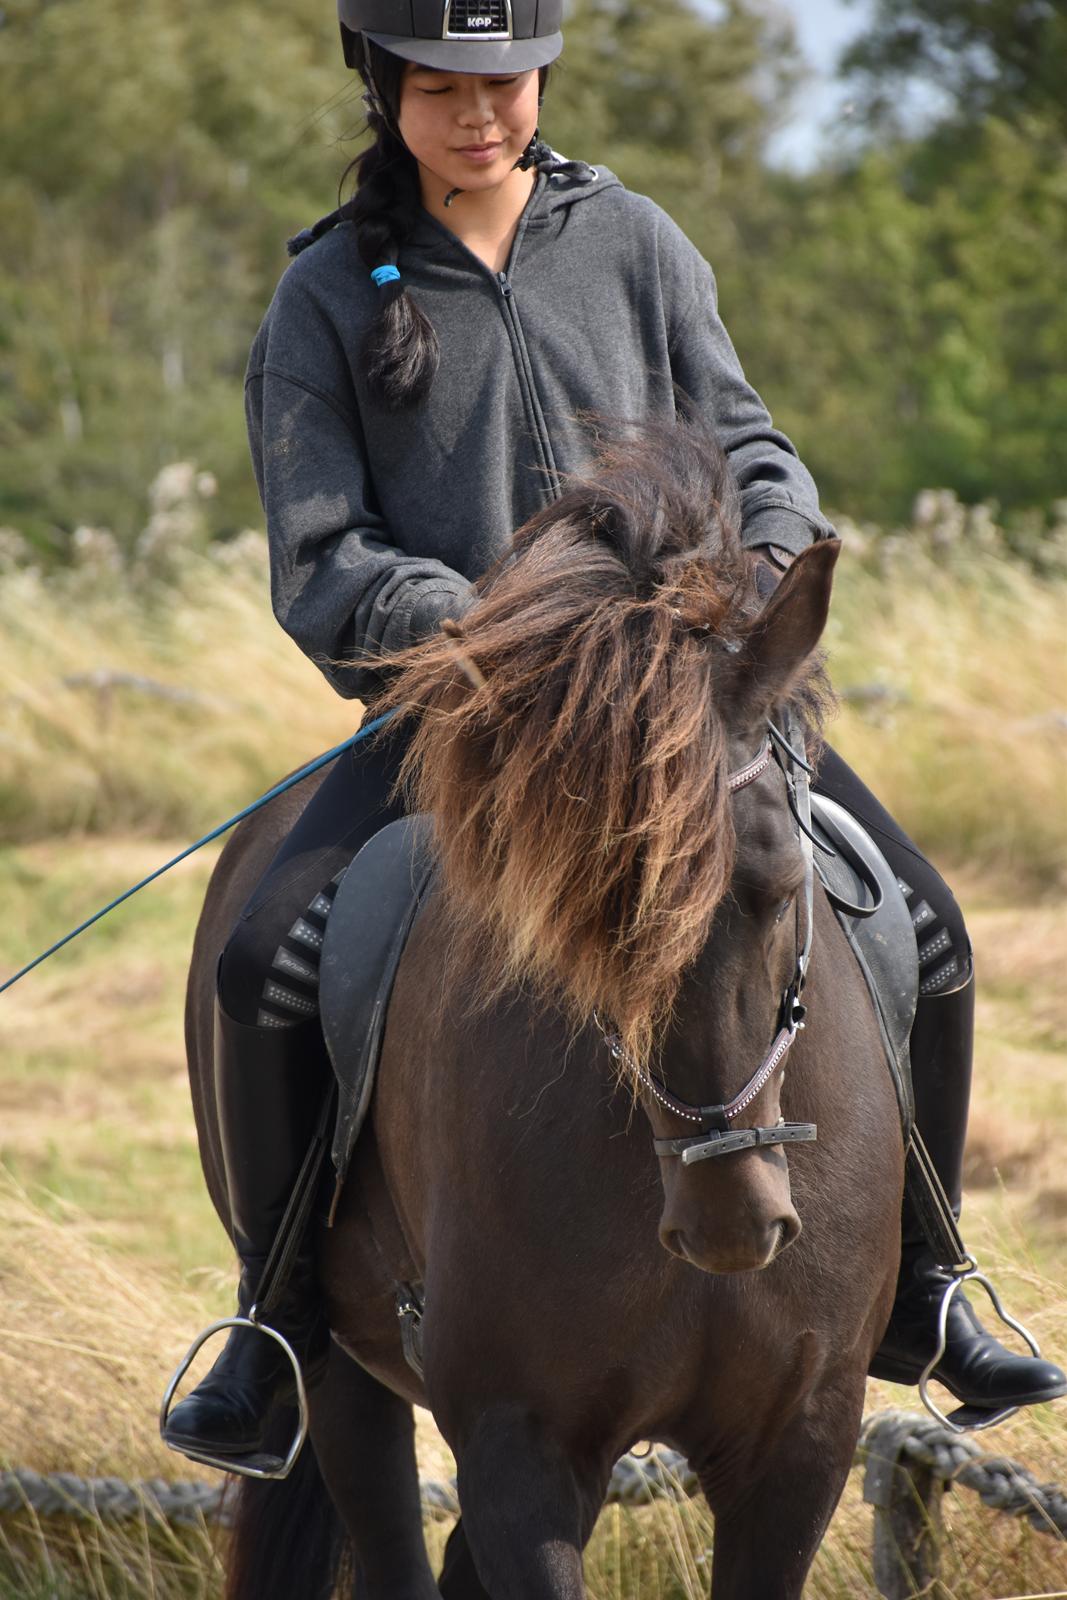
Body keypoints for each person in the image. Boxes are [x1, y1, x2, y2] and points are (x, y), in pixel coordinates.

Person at [161, 0, 1064, 1467]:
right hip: (469, 713)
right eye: (443, 85)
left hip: (692, 709)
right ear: (382, 82)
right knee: (269, 956)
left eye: (506, 81)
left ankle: (936, 1282)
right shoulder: (325, 295)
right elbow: (320, 555)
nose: (480, 113)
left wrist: (766, 573)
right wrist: (493, 637)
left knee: (933, 927)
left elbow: (756, 448)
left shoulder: (636, 241)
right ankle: (274, 1323)